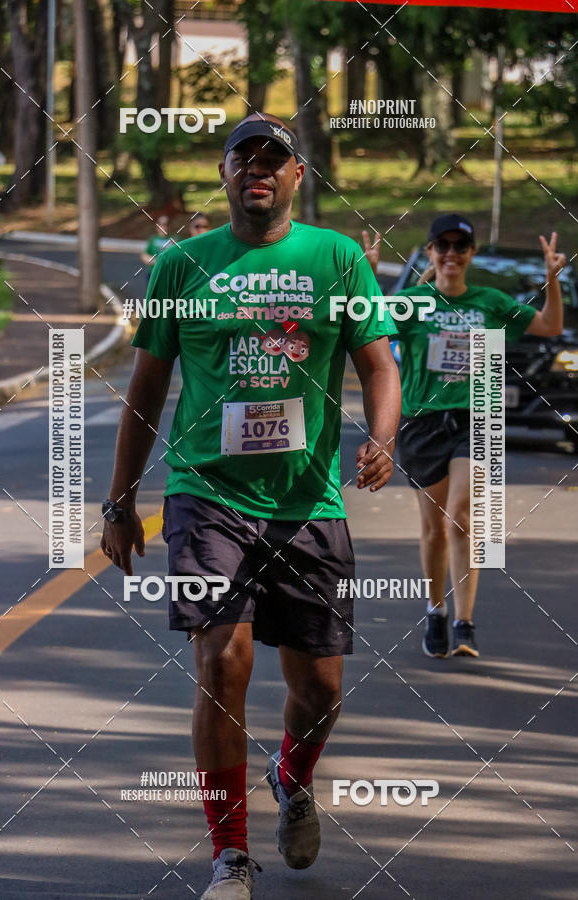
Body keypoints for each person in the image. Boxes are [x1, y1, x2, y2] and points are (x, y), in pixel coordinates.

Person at [101, 113, 401, 899]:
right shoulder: (182, 266)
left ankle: (292, 775)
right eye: (245, 158)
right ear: (225, 173)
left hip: (307, 501)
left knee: (321, 687)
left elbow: (379, 364)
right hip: (205, 494)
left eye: (276, 158)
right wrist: (120, 500)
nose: (259, 169)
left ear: (299, 175)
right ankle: (229, 857)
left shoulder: (335, 258)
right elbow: (146, 387)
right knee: (221, 663)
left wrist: (382, 436)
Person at [366, 214, 565, 660]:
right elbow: (365, 327)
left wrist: (552, 279)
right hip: (423, 422)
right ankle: (435, 610)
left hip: (478, 418)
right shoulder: (414, 302)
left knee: (462, 516)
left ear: (471, 253)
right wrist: (370, 274)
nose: (452, 253)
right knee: (433, 528)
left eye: (461, 246)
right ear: (432, 252)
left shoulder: (490, 302)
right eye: (444, 246)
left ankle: (464, 621)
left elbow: (550, 327)